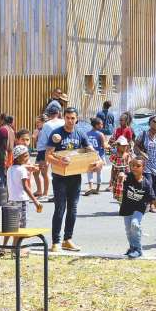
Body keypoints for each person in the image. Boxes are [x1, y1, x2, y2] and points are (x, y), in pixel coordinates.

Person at [46, 107, 102, 252]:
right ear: (64, 118)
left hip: (75, 177)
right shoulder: (56, 133)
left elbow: (91, 151)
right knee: (60, 208)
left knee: (73, 209)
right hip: (59, 177)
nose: (70, 121)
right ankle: (56, 242)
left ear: (77, 119)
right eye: (68, 118)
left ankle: (67, 240)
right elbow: (48, 156)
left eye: (73, 118)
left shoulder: (80, 133)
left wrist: (99, 160)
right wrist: (59, 161)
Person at [118, 157, 156, 258]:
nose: (135, 168)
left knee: (135, 224)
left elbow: (153, 200)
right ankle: (132, 247)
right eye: (133, 166)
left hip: (139, 209)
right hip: (126, 207)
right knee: (128, 230)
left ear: (143, 168)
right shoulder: (129, 176)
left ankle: (138, 249)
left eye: (138, 166)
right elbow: (122, 174)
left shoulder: (146, 184)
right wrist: (121, 175)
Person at [0, 145, 44, 256]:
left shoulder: (10, 169)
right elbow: (26, 187)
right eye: (26, 155)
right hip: (22, 200)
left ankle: (3, 248)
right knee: (20, 227)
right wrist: (36, 201)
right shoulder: (22, 170)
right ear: (18, 157)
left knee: (10, 225)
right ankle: (15, 249)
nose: (28, 157)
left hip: (11, 200)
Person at [134, 115, 156, 197]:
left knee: (154, 185)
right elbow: (135, 146)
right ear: (149, 123)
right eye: (154, 122)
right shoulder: (143, 134)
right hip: (146, 164)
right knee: (148, 183)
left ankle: (152, 204)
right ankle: (147, 203)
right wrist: (142, 153)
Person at [36, 106, 63, 198]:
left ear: (49, 114)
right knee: (60, 171)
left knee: (46, 172)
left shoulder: (47, 125)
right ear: (58, 113)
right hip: (62, 149)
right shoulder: (63, 122)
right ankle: (59, 193)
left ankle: (46, 193)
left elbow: (45, 139)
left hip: (46, 149)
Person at [85, 117, 107, 195]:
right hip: (99, 156)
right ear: (97, 125)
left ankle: (90, 186)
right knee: (99, 172)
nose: (102, 125)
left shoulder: (87, 134)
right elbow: (104, 146)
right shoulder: (100, 134)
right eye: (101, 124)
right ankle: (97, 189)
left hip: (90, 156)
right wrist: (109, 146)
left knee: (89, 171)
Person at [109, 135, 133, 201]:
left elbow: (131, 167)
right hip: (118, 178)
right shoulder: (114, 156)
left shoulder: (128, 156)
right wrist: (111, 179)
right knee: (120, 195)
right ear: (118, 146)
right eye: (123, 146)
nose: (125, 147)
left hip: (127, 177)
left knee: (127, 193)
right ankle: (121, 205)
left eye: (126, 146)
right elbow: (113, 168)